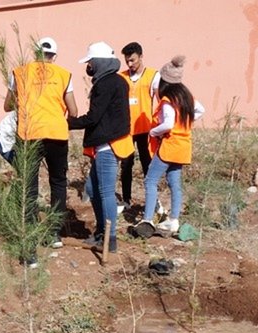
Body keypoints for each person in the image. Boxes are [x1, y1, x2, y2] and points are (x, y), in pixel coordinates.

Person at [5, 37, 78, 258]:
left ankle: (30, 232)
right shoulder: (64, 75)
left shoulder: (19, 72)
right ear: (53, 56)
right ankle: (54, 233)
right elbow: (73, 111)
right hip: (56, 134)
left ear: (35, 54)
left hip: (29, 135)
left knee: (29, 184)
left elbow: (8, 105)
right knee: (58, 182)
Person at [67, 42, 133, 254]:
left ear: (99, 63)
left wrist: (67, 123)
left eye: (90, 63)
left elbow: (94, 117)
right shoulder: (117, 81)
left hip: (107, 146)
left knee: (104, 193)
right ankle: (101, 231)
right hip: (108, 142)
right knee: (91, 189)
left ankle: (109, 238)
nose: (89, 67)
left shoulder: (106, 84)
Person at [135, 56, 205, 238]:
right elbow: (200, 110)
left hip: (170, 146)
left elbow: (167, 124)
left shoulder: (167, 100)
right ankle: (174, 219)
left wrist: (153, 132)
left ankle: (148, 218)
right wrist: (187, 121)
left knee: (150, 180)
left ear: (165, 81)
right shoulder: (187, 97)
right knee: (175, 183)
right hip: (184, 147)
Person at [119, 42, 161, 211]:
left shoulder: (153, 76)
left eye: (133, 60)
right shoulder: (121, 77)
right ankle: (126, 200)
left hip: (146, 129)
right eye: (127, 61)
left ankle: (153, 202)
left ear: (141, 56)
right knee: (126, 165)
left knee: (147, 165)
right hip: (126, 130)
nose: (130, 64)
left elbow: (161, 102)